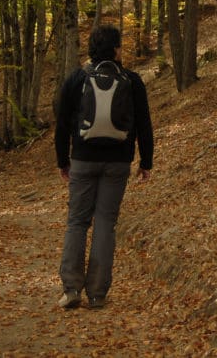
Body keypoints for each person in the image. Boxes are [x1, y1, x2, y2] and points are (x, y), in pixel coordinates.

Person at [54, 25, 154, 309]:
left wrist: (63, 160)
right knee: (106, 224)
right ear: (116, 49)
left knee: (77, 222)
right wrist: (146, 161)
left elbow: (62, 125)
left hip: (83, 159)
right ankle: (97, 293)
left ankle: (71, 289)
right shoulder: (132, 80)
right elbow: (144, 125)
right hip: (118, 162)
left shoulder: (77, 78)